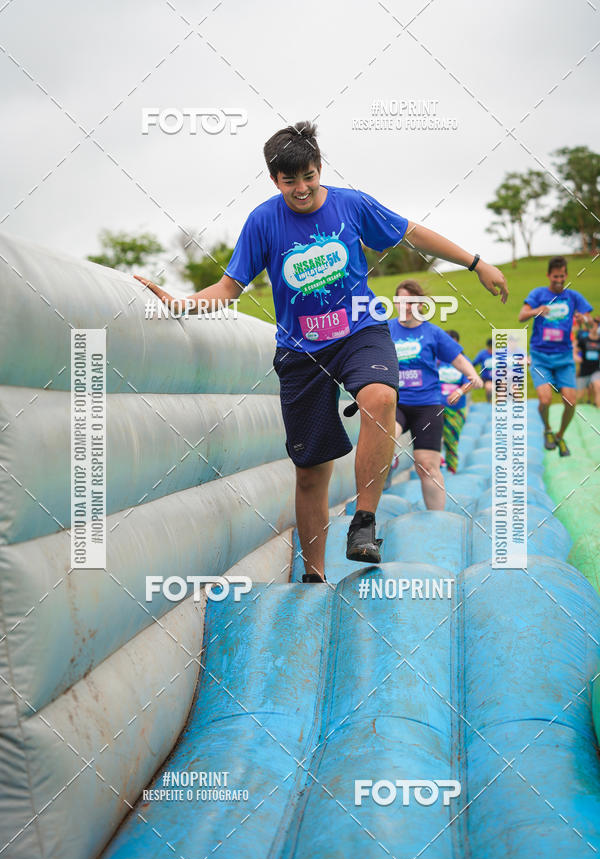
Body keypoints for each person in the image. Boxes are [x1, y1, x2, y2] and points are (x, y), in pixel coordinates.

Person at [135, 121, 507, 581]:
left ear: (319, 168)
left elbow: (413, 233)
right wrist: (181, 303)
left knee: (381, 397)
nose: (302, 189)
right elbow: (230, 286)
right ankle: (314, 576)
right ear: (275, 180)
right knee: (311, 472)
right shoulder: (262, 221)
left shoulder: (352, 206)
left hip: (360, 332)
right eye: (289, 181)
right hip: (301, 350)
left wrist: (476, 262)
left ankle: (364, 523)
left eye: (308, 176)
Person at [388, 281, 482, 509]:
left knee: (426, 466)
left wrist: (472, 375)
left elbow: (457, 358)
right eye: (401, 301)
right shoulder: (386, 329)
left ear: (420, 304)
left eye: (410, 302)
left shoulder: (432, 332)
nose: (405, 306)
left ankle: (437, 519)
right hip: (396, 402)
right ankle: (388, 458)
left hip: (427, 405)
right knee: (388, 433)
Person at [518, 256, 593, 457]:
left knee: (570, 402)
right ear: (548, 275)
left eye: (562, 276)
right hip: (541, 356)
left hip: (564, 358)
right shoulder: (538, 294)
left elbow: (589, 321)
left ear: (566, 275)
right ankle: (547, 430)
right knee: (545, 399)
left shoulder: (574, 297)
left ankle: (560, 436)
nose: (559, 279)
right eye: (555, 276)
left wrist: (582, 318)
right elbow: (521, 316)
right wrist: (537, 310)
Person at [438, 329, 471, 473]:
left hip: (456, 408)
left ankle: (452, 469)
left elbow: (470, 381)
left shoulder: (464, 362)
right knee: (432, 438)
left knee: (451, 439)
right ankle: (436, 465)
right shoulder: (434, 360)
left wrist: (460, 391)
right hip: (435, 407)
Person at [575, 316, 600, 407]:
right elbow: (575, 350)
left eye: (597, 326)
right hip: (584, 370)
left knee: (597, 387)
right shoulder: (584, 339)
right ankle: (574, 413)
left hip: (596, 369)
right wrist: (576, 357)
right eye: (593, 326)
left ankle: (596, 411)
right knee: (579, 396)